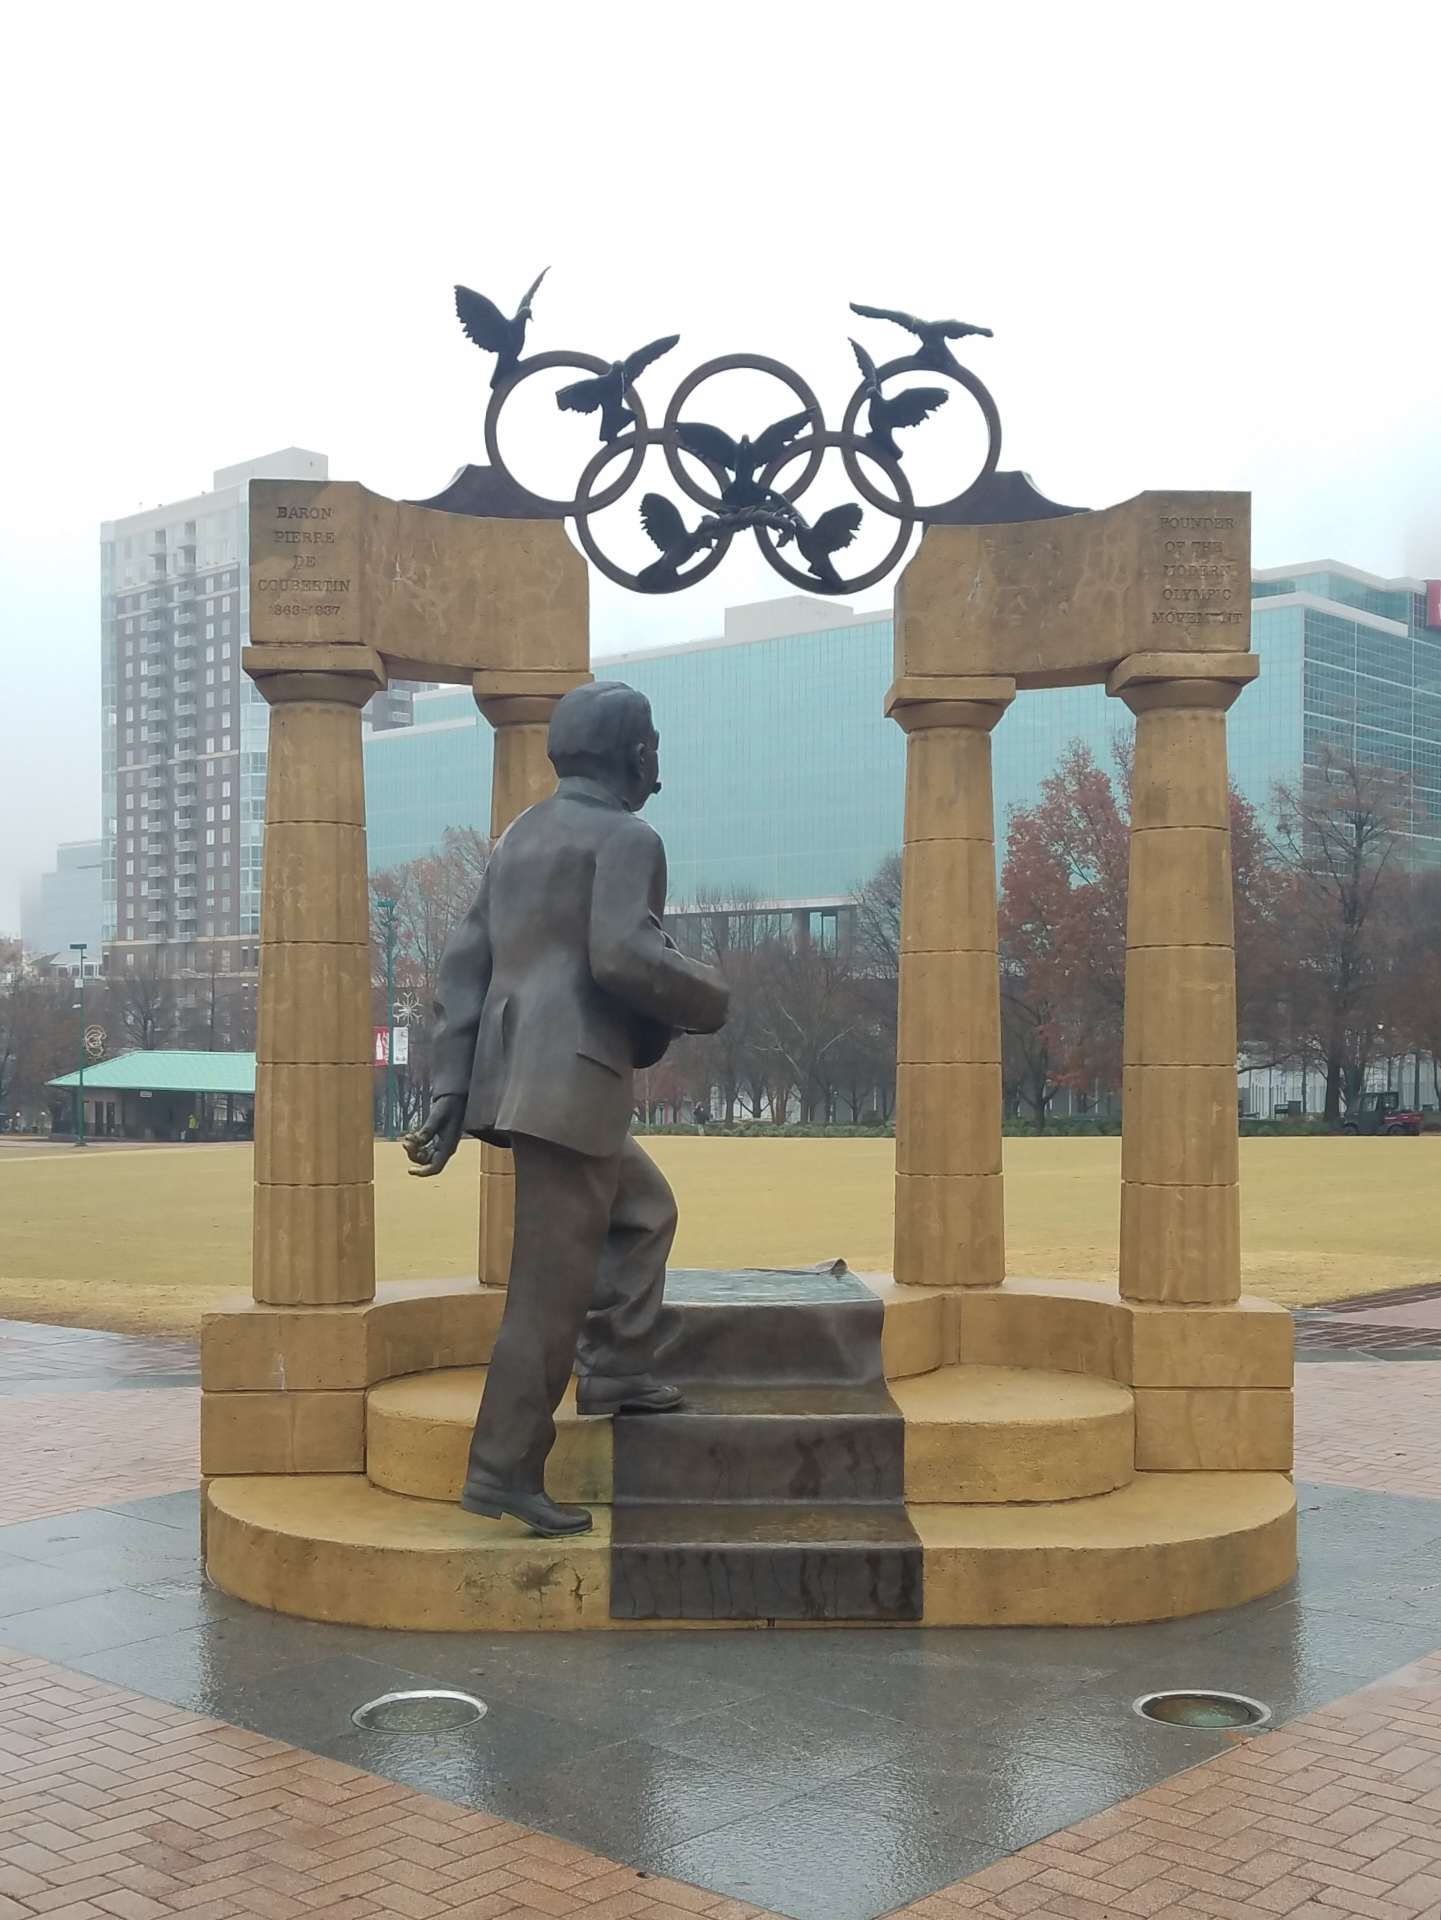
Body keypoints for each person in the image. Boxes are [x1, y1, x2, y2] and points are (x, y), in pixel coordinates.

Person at [403, 682, 729, 1536]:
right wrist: (706, 995)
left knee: (644, 1209)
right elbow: (622, 956)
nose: (658, 762)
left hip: (518, 1075)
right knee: (546, 1294)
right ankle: (501, 1469)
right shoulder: (628, 837)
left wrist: (447, 1087)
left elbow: (465, 961)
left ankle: (618, 1366)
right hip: (572, 1080)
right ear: (630, 753)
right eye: (652, 744)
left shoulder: (521, 836)